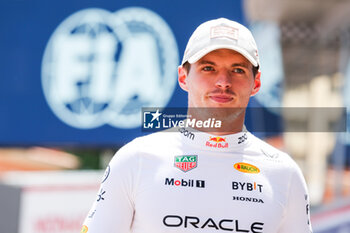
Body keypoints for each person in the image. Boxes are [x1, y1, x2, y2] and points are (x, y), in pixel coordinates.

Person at [81, 18, 313, 233]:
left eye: (238, 70)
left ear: (256, 83)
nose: (223, 82)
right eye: (208, 68)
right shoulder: (136, 159)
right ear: (183, 77)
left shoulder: (284, 173)